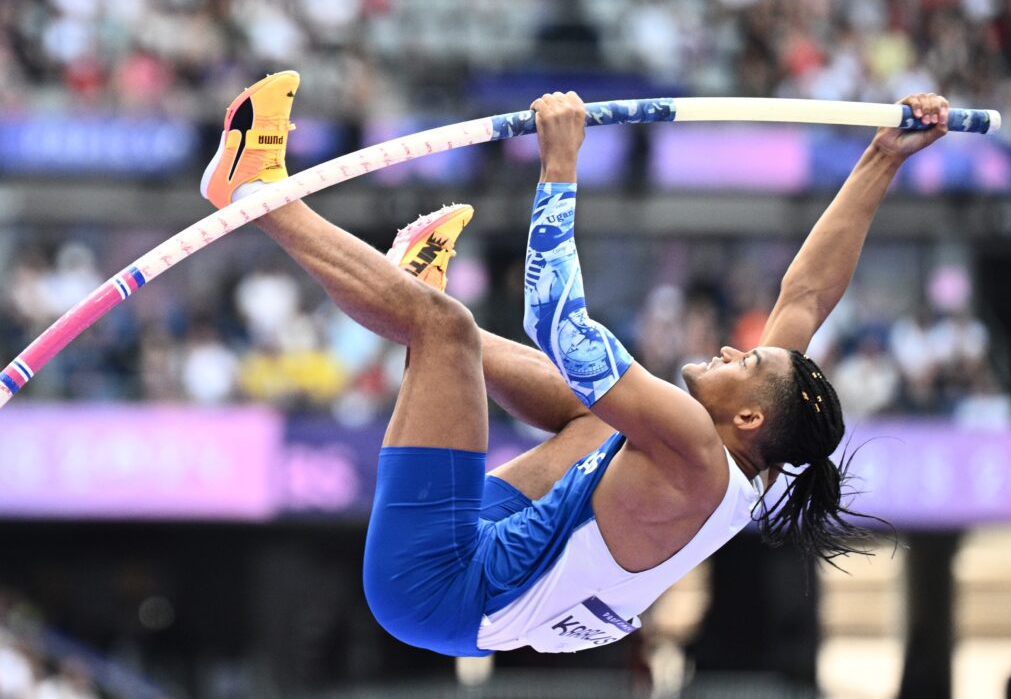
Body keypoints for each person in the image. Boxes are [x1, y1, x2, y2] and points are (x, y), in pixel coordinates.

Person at [201, 72, 950, 656]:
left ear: (748, 415)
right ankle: (406, 295)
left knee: (446, 329)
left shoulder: (694, 450)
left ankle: (251, 191)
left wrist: (558, 163)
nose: (730, 346)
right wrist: (882, 157)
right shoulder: (750, 447)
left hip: (441, 588)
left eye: (744, 359)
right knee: (597, 416)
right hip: (502, 550)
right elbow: (809, 292)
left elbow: (558, 324)